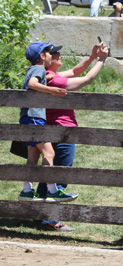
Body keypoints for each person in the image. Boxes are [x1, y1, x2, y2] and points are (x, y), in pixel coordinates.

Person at [37, 42, 109, 231]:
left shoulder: (48, 76)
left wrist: (92, 57)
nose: (59, 55)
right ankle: (51, 219)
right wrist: (102, 60)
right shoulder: (52, 80)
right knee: (61, 174)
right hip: (62, 131)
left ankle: (39, 215)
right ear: (45, 58)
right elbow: (86, 80)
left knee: (49, 173)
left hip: (54, 129)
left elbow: (76, 71)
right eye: (54, 53)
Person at [18, 41, 76, 203]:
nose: (52, 55)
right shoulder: (39, 70)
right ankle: (53, 191)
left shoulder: (34, 70)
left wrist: (47, 78)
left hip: (27, 118)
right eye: (49, 52)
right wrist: (52, 90)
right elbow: (32, 84)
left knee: (32, 158)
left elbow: (33, 82)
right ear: (42, 56)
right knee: (49, 153)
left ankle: (27, 190)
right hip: (35, 119)